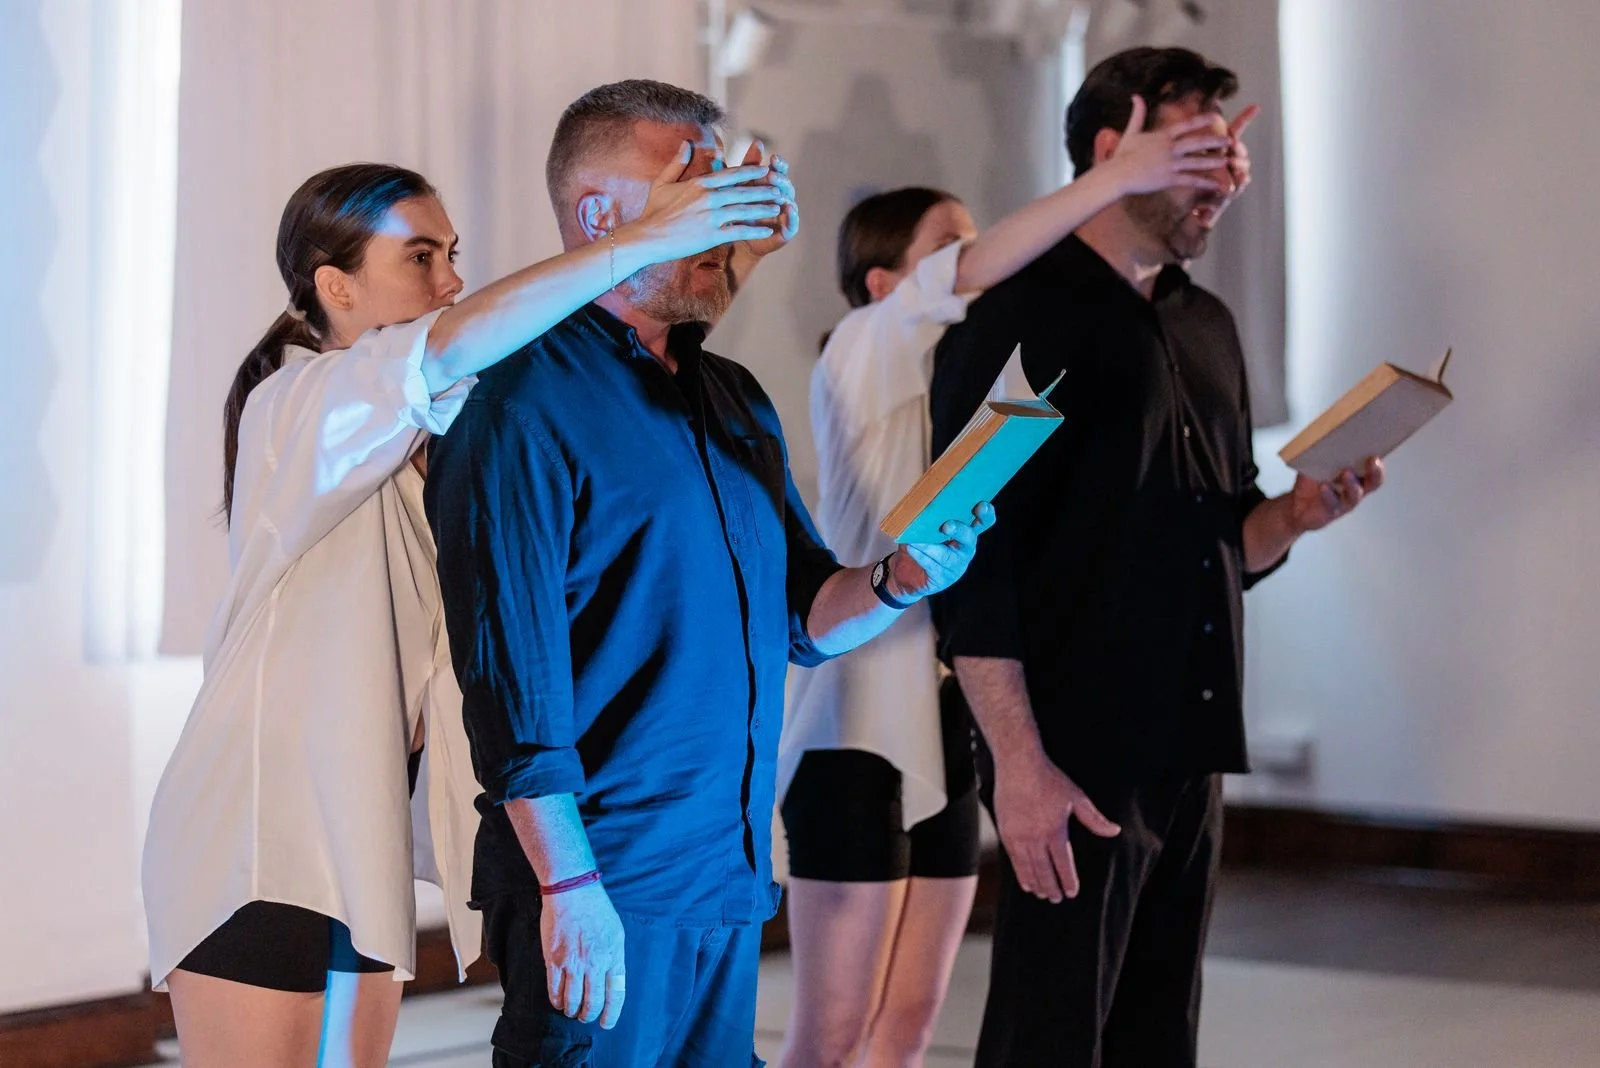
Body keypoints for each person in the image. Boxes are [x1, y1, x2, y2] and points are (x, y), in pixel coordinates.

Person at [142, 155, 790, 1068]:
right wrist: (651, 235)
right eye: (420, 257)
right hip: (258, 837)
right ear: (335, 285)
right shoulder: (299, 404)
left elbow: (583, 350)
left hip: (354, 841)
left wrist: (726, 256)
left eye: (453, 254)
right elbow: (464, 341)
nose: (449, 280)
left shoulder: (428, 416)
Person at [424, 78, 992, 1068]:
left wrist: (902, 576)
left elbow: (803, 615)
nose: (724, 219)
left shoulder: (730, 395)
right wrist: (569, 888)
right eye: (696, 192)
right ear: (601, 219)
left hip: (723, 871)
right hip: (602, 878)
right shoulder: (517, 399)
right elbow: (511, 682)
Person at [928, 47, 1385, 1067]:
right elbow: (966, 559)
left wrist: (1296, 515)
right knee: (1048, 1042)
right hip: (1071, 753)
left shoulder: (1205, 323)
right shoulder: (1018, 315)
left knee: (1157, 1039)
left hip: (1191, 742)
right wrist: (1019, 767)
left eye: (1228, 155)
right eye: (1195, 153)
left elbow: (1222, 539)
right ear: (1112, 149)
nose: (1222, 179)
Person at [775, 96, 1245, 1068]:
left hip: (950, 718)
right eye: (950, 249)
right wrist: (1119, 176)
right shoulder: (862, 348)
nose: (980, 262)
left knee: (907, 1027)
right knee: (830, 1038)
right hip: (855, 731)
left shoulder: (974, 377)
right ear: (882, 282)